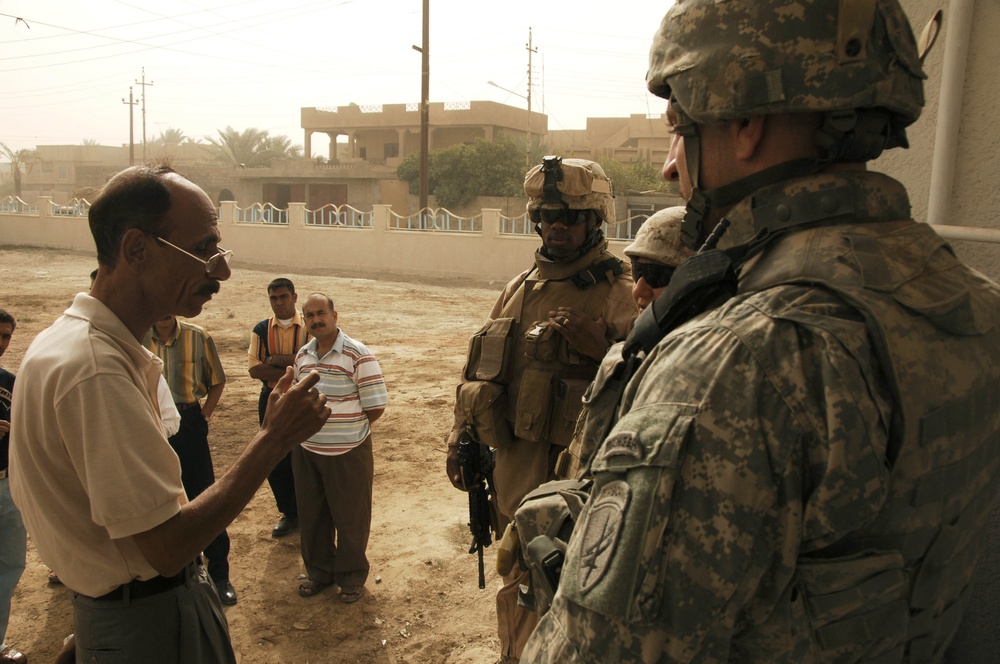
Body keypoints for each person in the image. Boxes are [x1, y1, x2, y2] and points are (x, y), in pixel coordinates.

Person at [523, 1, 1000, 661]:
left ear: (744, 124)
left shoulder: (743, 359)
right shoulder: (975, 304)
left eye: (677, 128)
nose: (670, 167)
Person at [9, 165, 330, 662]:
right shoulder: (95, 370)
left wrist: (101, 618)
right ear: (136, 250)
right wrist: (273, 439)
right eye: (203, 251)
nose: (220, 272)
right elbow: (166, 547)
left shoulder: (65, 343)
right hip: (150, 625)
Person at [445, 156, 637, 663]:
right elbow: (481, 373)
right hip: (513, 478)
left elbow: (654, 387)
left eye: (570, 217)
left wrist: (603, 351)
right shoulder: (517, 288)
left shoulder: (620, 290)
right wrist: (459, 440)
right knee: (519, 592)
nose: (556, 225)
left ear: (595, 220)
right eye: (547, 214)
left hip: (579, 491)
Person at [554, 206, 694, 481]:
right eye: (638, 271)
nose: (639, 289)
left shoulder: (708, 374)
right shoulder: (624, 357)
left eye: (658, 277)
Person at [293, 292, 387, 604]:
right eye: (309, 315)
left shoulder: (358, 354)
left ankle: (350, 577)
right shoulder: (303, 356)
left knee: (351, 518)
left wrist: (346, 431)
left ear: (335, 316)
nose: (316, 320)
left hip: (349, 452)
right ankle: (319, 572)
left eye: (321, 313)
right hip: (307, 451)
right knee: (312, 516)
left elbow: (375, 407)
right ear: (305, 321)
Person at [143, 314, 236, 606]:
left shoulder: (198, 336)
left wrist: (204, 415)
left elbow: (217, 381)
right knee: (154, 496)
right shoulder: (137, 336)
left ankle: (220, 574)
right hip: (146, 421)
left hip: (188, 419)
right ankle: (172, 574)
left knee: (203, 493)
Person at [249, 277, 309, 538]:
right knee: (274, 456)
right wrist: (294, 363)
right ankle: (289, 512)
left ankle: (310, 511)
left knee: (306, 453)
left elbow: (313, 364)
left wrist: (273, 360)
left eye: (284, 297)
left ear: (294, 298)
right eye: (274, 298)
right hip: (271, 397)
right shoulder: (261, 329)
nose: (279, 302)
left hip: (303, 397)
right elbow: (254, 369)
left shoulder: (309, 326)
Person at [0, 309, 26, 664]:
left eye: (6, 336)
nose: (1, 343)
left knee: (9, 566)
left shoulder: (11, 381)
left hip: (8, 486)